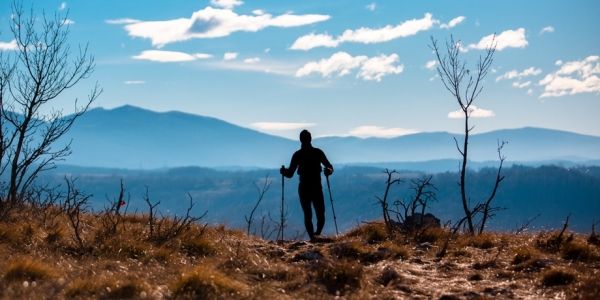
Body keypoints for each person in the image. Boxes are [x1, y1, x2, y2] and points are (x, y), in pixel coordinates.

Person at [280, 129, 333, 240]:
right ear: (311, 138)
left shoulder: (298, 155)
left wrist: (283, 172)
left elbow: (290, 174)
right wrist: (328, 170)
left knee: (308, 214)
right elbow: (329, 166)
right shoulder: (317, 152)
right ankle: (317, 235)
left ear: (300, 140)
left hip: (304, 187)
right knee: (320, 214)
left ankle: (313, 237)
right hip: (316, 186)